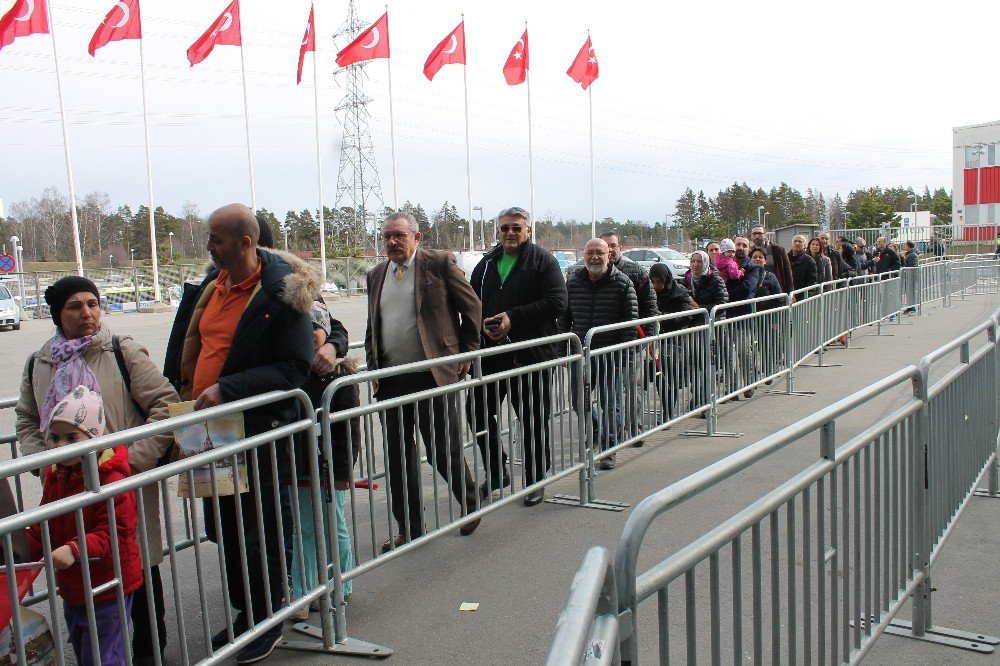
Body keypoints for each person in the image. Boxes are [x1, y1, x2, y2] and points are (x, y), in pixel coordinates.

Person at [163, 203, 314, 663]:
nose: (208, 245)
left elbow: (295, 367)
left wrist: (228, 387)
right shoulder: (210, 286)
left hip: (256, 433)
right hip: (209, 431)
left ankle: (267, 618)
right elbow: (188, 348)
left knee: (259, 528)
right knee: (223, 527)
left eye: (216, 238)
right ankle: (248, 611)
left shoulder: (281, 294)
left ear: (245, 242)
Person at [15, 276, 178, 666]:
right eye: (75, 306)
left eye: (93, 303)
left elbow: (164, 406)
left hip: (121, 485)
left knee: (137, 569)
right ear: (58, 314)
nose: (87, 313)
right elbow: (27, 419)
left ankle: (150, 654)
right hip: (65, 488)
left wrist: (131, 461)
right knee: (82, 578)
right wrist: (47, 463)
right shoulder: (40, 362)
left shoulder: (122, 351)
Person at [365, 211, 483, 552]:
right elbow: (375, 325)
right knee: (398, 458)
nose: (392, 242)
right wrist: (374, 364)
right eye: (387, 236)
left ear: (417, 238)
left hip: (432, 376)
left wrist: (465, 353)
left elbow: (472, 307)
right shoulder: (376, 275)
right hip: (390, 379)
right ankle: (410, 527)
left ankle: (471, 503)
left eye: (399, 235)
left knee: (442, 451)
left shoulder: (438, 263)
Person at [26, 385, 143, 666]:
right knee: (83, 648)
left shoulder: (112, 479)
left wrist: (75, 549)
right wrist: (16, 546)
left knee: (102, 656)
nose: (59, 446)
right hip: (75, 585)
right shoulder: (58, 474)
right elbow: (45, 522)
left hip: (108, 584)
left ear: (93, 438)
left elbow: (113, 533)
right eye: (54, 437)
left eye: (71, 437)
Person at [469, 207, 567, 506]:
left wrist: (513, 317)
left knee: (532, 419)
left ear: (528, 231)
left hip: (531, 354)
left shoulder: (542, 260)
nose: (510, 233)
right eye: (504, 228)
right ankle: (498, 471)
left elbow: (557, 302)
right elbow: (472, 303)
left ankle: (537, 479)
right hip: (491, 354)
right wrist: (479, 328)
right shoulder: (487, 263)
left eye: (516, 228)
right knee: (477, 413)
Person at [290, 300, 360, 620]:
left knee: (336, 526)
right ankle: (303, 592)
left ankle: (340, 583)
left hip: (331, 467)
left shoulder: (343, 378)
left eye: (315, 329)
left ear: (327, 331)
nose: (309, 336)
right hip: (300, 466)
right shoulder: (292, 374)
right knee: (303, 529)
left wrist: (344, 472)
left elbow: (350, 433)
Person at [561, 238, 638, 470]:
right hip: (581, 355)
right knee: (577, 401)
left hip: (610, 354)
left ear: (609, 255)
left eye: (599, 253)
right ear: (583, 255)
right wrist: (561, 350)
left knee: (611, 404)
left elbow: (631, 322)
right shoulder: (573, 283)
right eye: (589, 253)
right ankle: (596, 430)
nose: (594, 257)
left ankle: (609, 448)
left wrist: (625, 353)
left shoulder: (623, 283)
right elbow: (563, 319)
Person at [648, 263, 701, 420]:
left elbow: (685, 315)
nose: (656, 286)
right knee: (659, 377)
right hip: (655, 340)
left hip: (676, 340)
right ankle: (667, 410)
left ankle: (671, 412)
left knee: (670, 377)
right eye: (653, 281)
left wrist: (663, 317)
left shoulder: (680, 292)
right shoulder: (648, 293)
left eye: (659, 282)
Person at [750, 224, 794, 293]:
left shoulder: (777, 250)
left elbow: (787, 271)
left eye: (759, 233)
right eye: (754, 234)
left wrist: (790, 292)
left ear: (765, 235)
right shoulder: (749, 251)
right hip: (756, 292)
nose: (757, 236)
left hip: (776, 291)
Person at [902, 240, 919, 314]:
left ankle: (912, 307)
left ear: (908, 246)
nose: (904, 247)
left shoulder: (912, 254)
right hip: (907, 276)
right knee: (908, 292)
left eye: (905, 245)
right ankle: (910, 306)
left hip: (910, 276)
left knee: (911, 291)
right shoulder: (908, 254)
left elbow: (912, 266)